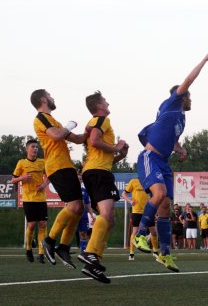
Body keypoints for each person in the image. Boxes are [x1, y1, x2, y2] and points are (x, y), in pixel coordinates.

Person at [132, 50, 208, 272]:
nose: (190, 99)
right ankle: (140, 235)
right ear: (182, 96)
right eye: (188, 95)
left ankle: (164, 254)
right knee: (159, 194)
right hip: (151, 158)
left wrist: (180, 148)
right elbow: (188, 80)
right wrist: (205, 60)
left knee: (165, 207)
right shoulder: (172, 103)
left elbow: (173, 140)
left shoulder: (180, 118)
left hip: (164, 162)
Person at [31, 89, 88, 269]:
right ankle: (49, 240)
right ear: (43, 99)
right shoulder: (41, 117)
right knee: (75, 206)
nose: (53, 97)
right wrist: (69, 126)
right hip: (57, 166)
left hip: (66, 165)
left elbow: (78, 140)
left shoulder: (54, 121)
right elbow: (57, 135)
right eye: (50, 95)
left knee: (78, 209)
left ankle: (63, 247)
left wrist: (91, 130)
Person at [76, 91, 128, 283]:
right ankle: (90, 252)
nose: (108, 102)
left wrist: (120, 154)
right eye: (105, 100)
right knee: (106, 216)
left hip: (98, 171)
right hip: (97, 172)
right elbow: (94, 141)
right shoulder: (101, 119)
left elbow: (103, 156)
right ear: (99, 106)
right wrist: (116, 146)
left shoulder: (97, 122)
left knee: (110, 219)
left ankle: (93, 264)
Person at [12, 139, 50, 264]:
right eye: (33, 147)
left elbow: (49, 176)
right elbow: (13, 180)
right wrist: (23, 178)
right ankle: (28, 248)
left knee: (43, 224)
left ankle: (41, 253)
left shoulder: (42, 162)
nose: (35, 149)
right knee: (32, 225)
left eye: (36, 147)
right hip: (28, 199)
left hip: (41, 199)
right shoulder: (21, 163)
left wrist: (44, 185)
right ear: (27, 149)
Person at [123, 178, 159, 261]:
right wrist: (130, 201)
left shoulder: (150, 181)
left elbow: (154, 197)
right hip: (136, 211)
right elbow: (124, 194)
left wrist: (155, 211)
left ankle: (155, 252)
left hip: (148, 211)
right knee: (135, 232)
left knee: (153, 232)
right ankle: (131, 254)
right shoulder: (133, 181)